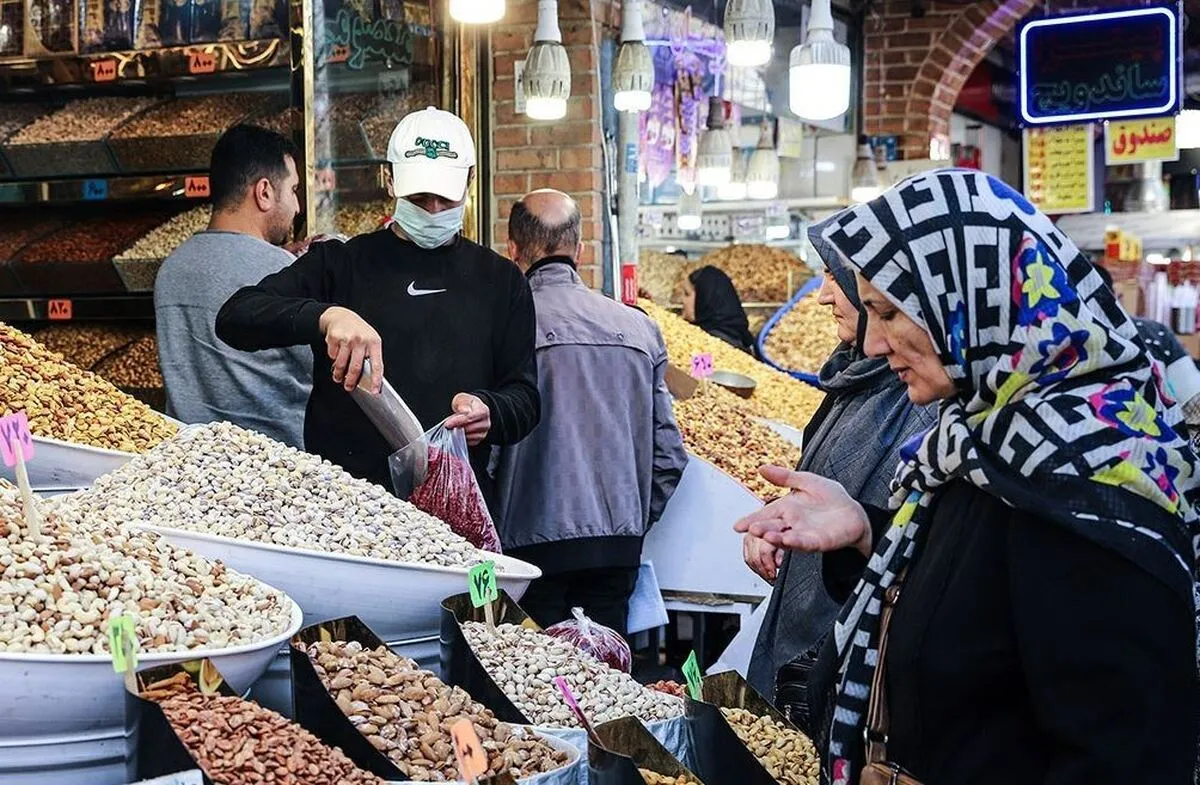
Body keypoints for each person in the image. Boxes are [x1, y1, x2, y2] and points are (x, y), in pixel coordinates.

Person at [735, 170, 1199, 785]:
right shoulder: (979, 444)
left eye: (889, 312)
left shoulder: (1092, 486)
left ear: (971, 304)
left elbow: (1124, 755)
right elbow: (980, 593)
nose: (874, 345)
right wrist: (868, 531)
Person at [215, 107, 540, 493]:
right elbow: (236, 316)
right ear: (389, 180)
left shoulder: (501, 281)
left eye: (445, 197)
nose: (433, 209)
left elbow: (525, 399)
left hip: (453, 499)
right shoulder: (340, 263)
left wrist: (491, 411)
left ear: (470, 181)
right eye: (419, 196)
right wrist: (326, 316)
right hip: (345, 501)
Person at [743, 232, 936, 709]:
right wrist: (792, 517)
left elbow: (932, 551)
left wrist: (861, 531)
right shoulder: (853, 377)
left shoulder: (930, 402)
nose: (823, 296)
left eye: (885, 311)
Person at [492, 189, 688, 634]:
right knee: (608, 670)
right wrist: (629, 522)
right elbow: (669, 456)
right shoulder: (639, 327)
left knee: (535, 672)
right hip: (616, 548)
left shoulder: (503, 327)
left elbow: (488, 450)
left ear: (513, 249)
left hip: (527, 552)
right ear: (580, 249)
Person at [155, 124, 312, 448]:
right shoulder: (282, 271)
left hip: (187, 459)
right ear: (264, 192)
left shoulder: (171, 268)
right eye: (293, 190)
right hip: (278, 464)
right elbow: (331, 371)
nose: (297, 207)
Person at [1094, 263, 1200, 448]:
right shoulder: (1153, 333)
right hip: (1162, 452)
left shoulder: (1051, 343)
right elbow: (1193, 401)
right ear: (1115, 296)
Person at [682, 266, 755, 352]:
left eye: (687, 294)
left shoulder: (707, 346)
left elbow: (701, 361)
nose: (683, 301)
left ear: (703, 298)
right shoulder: (739, 337)